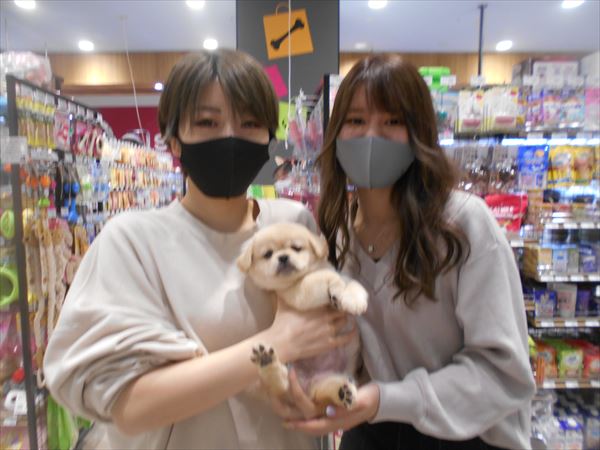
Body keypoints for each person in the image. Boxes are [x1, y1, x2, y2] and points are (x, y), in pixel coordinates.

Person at [43, 49, 355, 450]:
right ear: (174, 140)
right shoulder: (132, 242)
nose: (230, 136)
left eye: (250, 123)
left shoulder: (292, 224)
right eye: (207, 122)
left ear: (268, 138)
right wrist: (278, 342)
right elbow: (131, 405)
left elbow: (327, 339)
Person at [283, 54, 536, 450]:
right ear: (336, 135)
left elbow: (504, 372)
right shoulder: (337, 233)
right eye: (355, 120)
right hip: (372, 427)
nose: (371, 136)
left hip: (463, 434)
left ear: (420, 134)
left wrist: (385, 399)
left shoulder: (462, 225)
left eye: (393, 121)